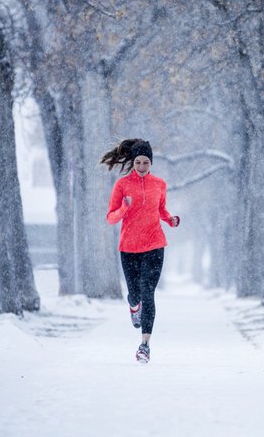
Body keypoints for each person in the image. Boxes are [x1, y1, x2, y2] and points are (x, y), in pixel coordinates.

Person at [101, 139, 180, 364]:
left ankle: (145, 344)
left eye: (146, 162)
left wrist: (171, 220)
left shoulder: (159, 184)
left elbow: (161, 210)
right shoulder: (122, 185)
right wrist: (125, 207)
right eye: (138, 162)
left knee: (148, 292)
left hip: (155, 245)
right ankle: (133, 305)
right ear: (133, 162)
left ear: (151, 163)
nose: (142, 166)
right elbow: (110, 217)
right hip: (129, 248)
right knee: (135, 293)